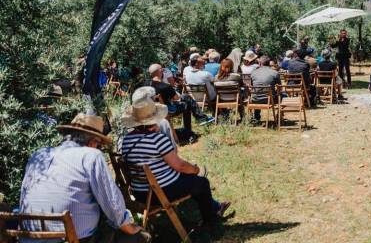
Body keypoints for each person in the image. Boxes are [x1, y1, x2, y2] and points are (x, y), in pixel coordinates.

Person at [19, 114, 151, 242]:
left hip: (29, 236)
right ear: (93, 142)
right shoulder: (91, 155)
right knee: (139, 236)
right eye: (99, 145)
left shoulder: (38, 154)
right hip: (73, 238)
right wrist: (130, 227)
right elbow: (112, 203)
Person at [120, 87, 231, 225]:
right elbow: (180, 166)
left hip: (139, 192)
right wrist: (196, 170)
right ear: (153, 120)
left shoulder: (127, 139)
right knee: (201, 182)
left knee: (191, 180)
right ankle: (212, 219)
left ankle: (215, 208)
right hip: (159, 192)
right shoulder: (157, 139)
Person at [148, 63, 213, 131]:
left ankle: (200, 118)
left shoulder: (148, 85)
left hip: (154, 110)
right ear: (160, 71)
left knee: (186, 97)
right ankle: (189, 129)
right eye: (163, 70)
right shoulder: (165, 86)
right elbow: (176, 98)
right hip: (169, 110)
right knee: (186, 104)